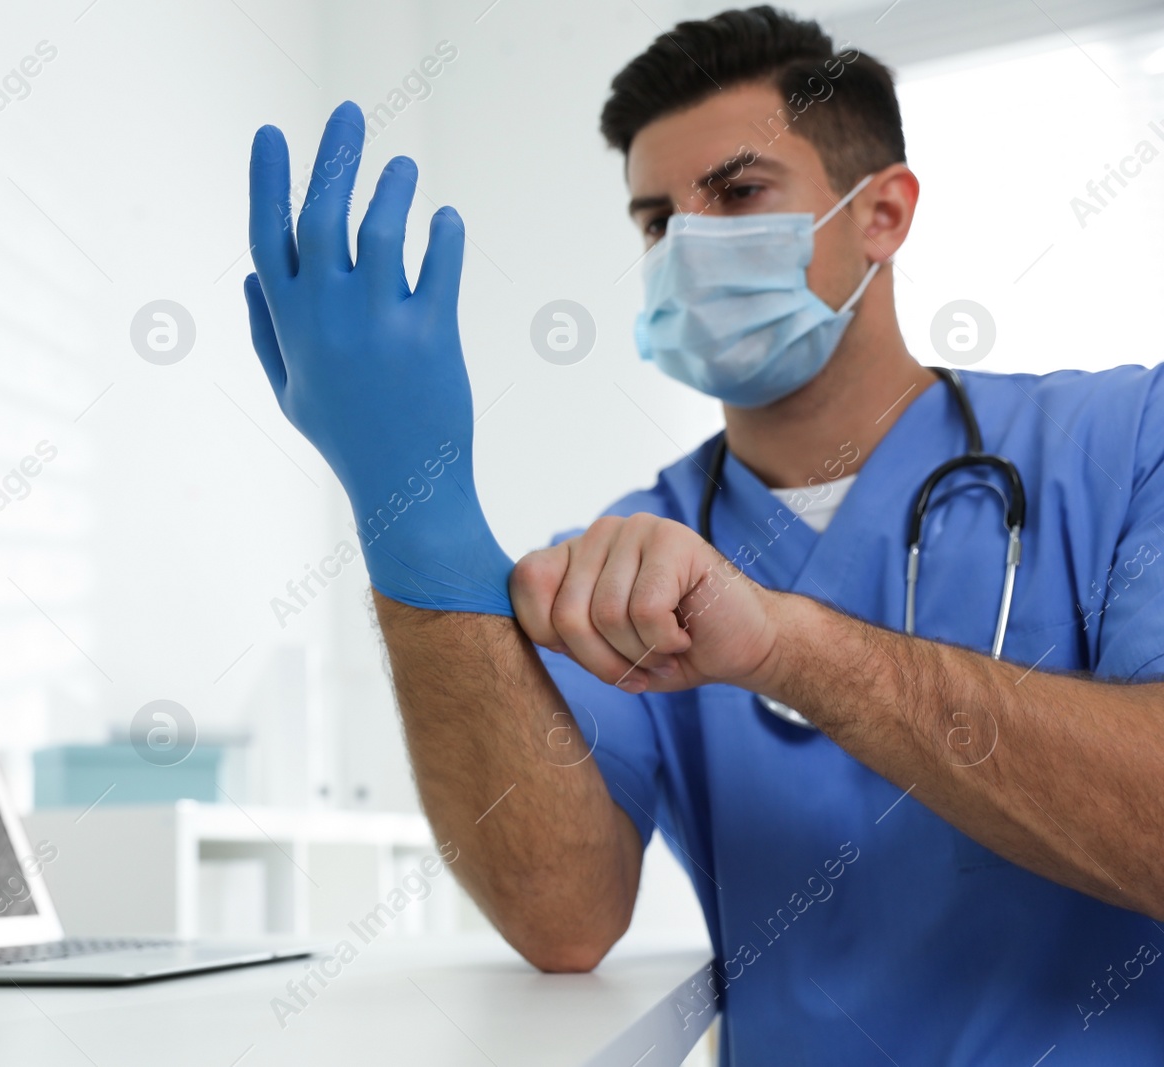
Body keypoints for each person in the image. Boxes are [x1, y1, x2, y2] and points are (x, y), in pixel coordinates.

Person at [241, 6, 1164, 1061]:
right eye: (654, 220)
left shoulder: (1126, 440)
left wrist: (785, 642)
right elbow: (562, 912)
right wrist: (410, 510)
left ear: (884, 215)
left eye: (737, 193)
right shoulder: (628, 557)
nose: (687, 244)